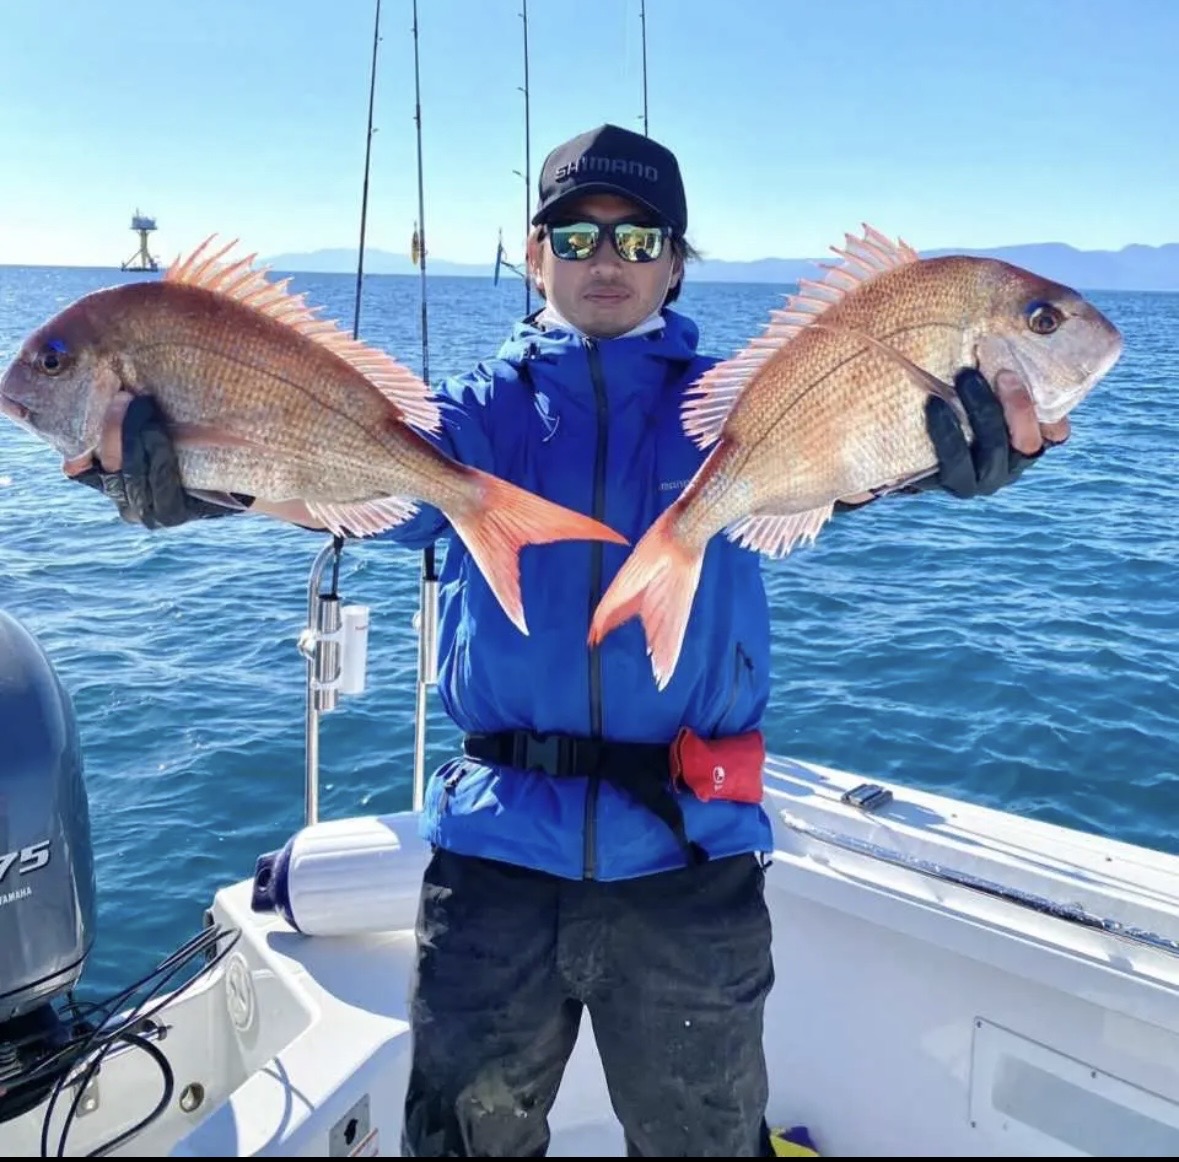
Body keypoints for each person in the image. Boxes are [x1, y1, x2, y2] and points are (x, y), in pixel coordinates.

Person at [72, 124, 1067, 1156]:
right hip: (495, 854)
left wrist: (935, 459)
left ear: (675, 264)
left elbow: (837, 468)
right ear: (534, 253)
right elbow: (362, 482)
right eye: (577, 235)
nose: (607, 260)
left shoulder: (736, 407)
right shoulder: (471, 417)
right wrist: (209, 480)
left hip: (690, 856)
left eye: (639, 239)